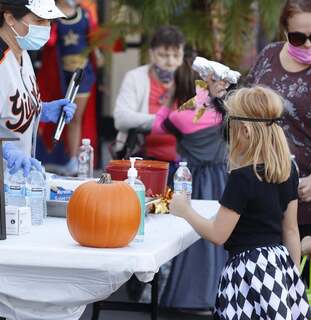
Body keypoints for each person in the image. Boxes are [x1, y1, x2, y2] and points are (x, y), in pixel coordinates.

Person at [170, 86, 311, 319]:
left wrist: (185, 210)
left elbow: (217, 234)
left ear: (244, 130)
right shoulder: (289, 170)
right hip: (279, 266)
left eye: (229, 124)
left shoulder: (242, 177)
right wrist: (293, 277)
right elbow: (291, 229)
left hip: (249, 271)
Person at [151, 51, 228, 311]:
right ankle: (220, 294)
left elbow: (158, 126)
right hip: (222, 178)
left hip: (190, 180)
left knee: (191, 233)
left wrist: (171, 98)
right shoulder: (223, 114)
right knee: (220, 232)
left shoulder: (180, 118)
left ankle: (187, 295)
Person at [244, 0, 311, 240]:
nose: (308, 44)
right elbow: (244, 106)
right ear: (285, 32)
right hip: (263, 194)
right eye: (298, 37)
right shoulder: (268, 55)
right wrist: (219, 93)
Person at [0, 0, 76, 177]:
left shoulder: (23, 53)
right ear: (10, 18)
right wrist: (5, 147)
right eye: (39, 21)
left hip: (16, 182)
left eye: (49, 21)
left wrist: (42, 110)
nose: (46, 28)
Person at [36, 0, 101, 175]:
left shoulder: (85, 14)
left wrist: (98, 56)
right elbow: (48, 42)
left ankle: (74, 159)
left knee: (75, 116)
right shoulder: (53, 14)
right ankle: (64, 158)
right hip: (59, 74)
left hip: (82, 74)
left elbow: (94, 40)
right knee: (58, 115)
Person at [113, 25, 185, 177]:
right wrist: (164, 122)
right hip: (143, 161)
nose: (171, 62)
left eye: (176, 55)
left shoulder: (189, 79)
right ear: (151, 54)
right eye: (164, 55)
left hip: (185, 164)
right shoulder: (135, 77)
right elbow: (121, 118)